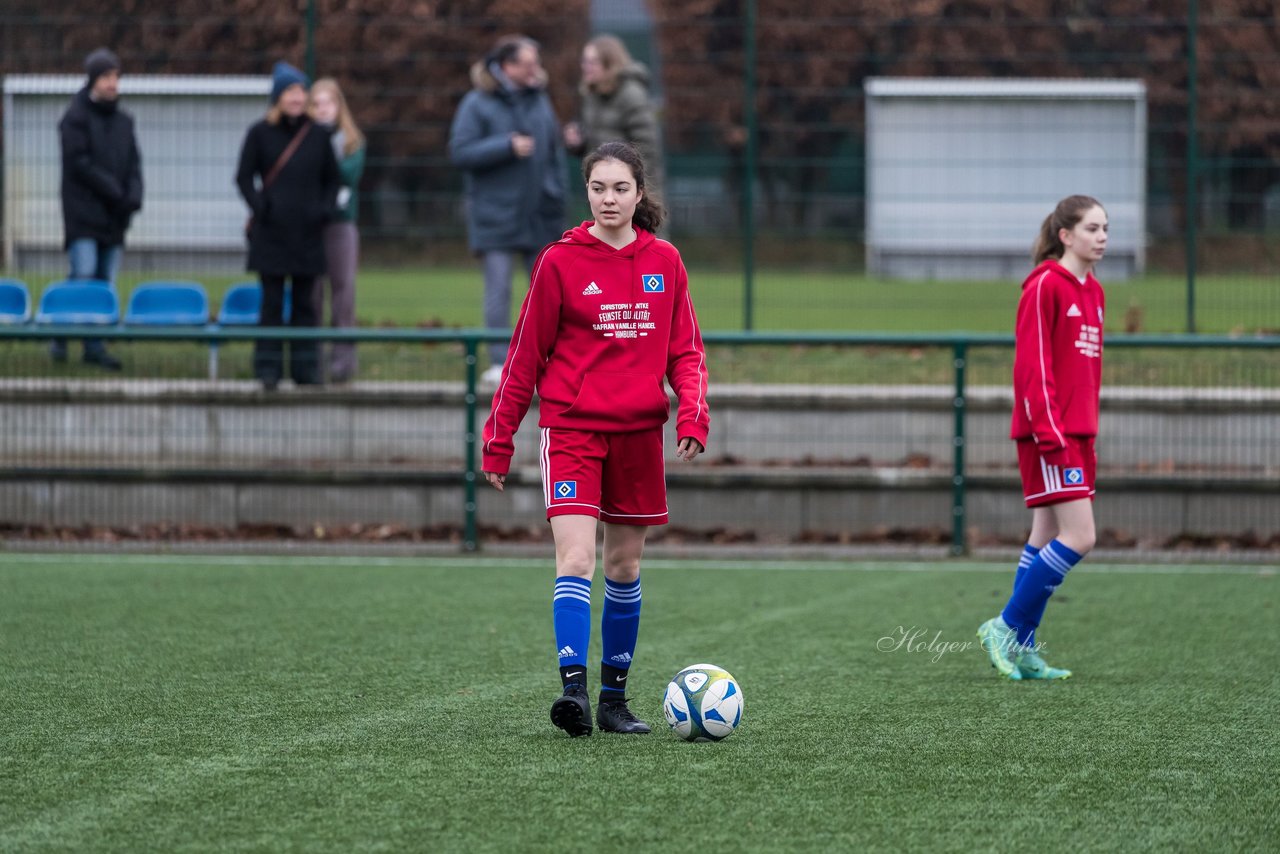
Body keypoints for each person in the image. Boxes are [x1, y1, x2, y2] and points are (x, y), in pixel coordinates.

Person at [481, 142, 709, 737]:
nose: (609, 199)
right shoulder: (559, 262)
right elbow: (523, 356)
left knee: (625, 566)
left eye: (621, 189)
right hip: (573, 427)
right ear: (587, 192)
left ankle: (614, 701)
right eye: (598, 188)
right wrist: (498, 439)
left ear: (639, 194)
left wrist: (693, 414)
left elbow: (687, 351)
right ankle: (573, 695)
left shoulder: (666, 261)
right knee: (576, 557)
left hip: (637, 432)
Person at [977, 195, 1109, 681]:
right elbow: (1032, 368)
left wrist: (1085, 432)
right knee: (1081, 536)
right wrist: (1049, 432)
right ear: (1065, 235)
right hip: (1048, 433)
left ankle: (1025, 647)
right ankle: (1005, 626)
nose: (1102, 238)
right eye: (1092, 228)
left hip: (1078, 434)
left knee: (1046, 534)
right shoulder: (1043, 288)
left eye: (1106, 229)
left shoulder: (1093, 292)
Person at [448, 35, 567, 386]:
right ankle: (501, 362)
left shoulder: (540, 100)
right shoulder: (476, 103)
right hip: (494, 214)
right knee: (498, 289)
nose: (536, 70)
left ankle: (548, 359)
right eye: (528, 64)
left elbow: (553, 151)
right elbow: (460, 151)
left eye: (536, 62)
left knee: (547, 290)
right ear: (506, 67)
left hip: (539, 212)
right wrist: (506, 146)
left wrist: (557, 193)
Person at [235, 61, 339, 390]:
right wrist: (261, 207)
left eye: (300, 91)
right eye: (289, 92)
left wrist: (322, 211)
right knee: (271, 303)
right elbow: (243, 177)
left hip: (307, 235)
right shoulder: (259, 133)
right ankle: (268, 370)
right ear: (278, 97)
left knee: (306, 306)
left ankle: (305, 370)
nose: (296, 98)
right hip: (271, 234)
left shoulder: (318, 136)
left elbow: (332, 181)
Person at [54, 47, 143, 371]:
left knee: (104, 281)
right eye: (107, 77)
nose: (113, 83)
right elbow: (80, 166)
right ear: (93, 80)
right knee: (84, 274)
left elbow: (134, 163)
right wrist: (115, 191)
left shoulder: (124, 121)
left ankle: (87, 341)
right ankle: (70, 331)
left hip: (115, 217)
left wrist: (134, 196)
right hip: (84, 215)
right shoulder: (74, 119)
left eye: (116, 77)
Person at [309, 78, 366, 383]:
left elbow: (346, 174)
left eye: (328, 103)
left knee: (343, 292)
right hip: (311, 224)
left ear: (339, 106)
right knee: (312, 294)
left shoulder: (352, 141)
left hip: (341, 222)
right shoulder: (305, 138)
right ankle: (313, 363)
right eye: (315, 104)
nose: (322, 110)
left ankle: (343, 363)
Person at [563, 34, 664, 198]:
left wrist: (631, 189)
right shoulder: (591, 93)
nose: (585, 67)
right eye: (584, 61)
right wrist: (578, 143)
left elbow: (647, 149)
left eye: (592, 62)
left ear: (610, 64)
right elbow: (597, 143)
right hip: (601, 187)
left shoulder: (632, 94)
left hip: (629, 193)